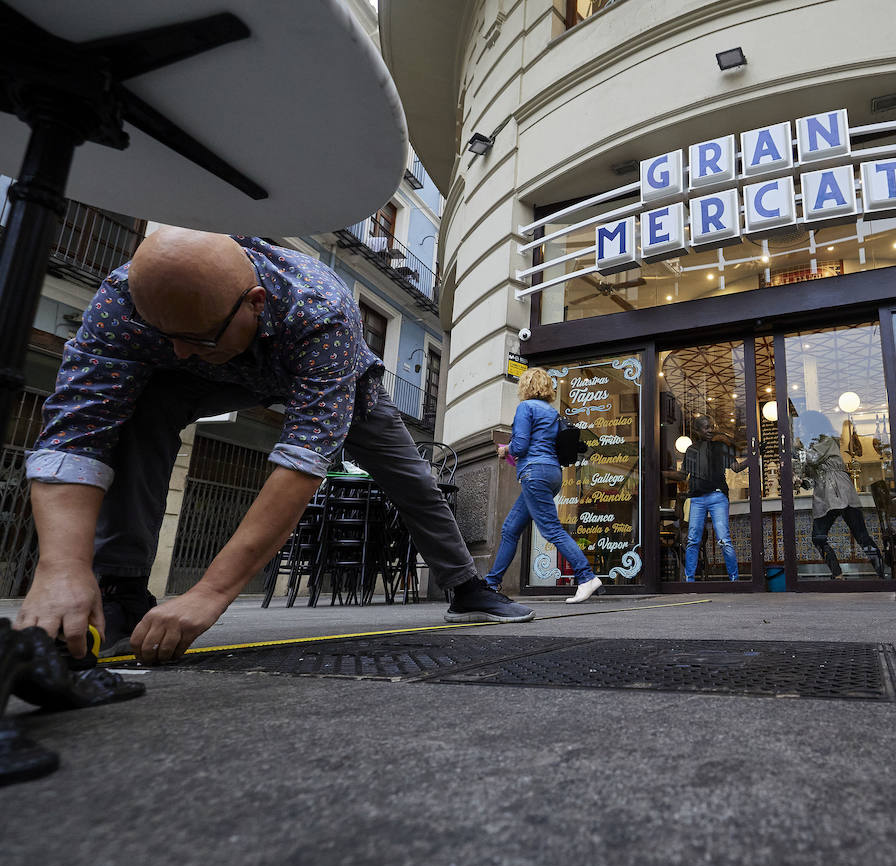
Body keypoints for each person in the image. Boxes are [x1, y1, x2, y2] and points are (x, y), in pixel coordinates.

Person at [17, 230, 533, 665]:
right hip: (207, 379)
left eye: (195, 335)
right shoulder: (121, 302)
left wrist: (210, 594)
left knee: (415, 482)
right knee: (138, 414)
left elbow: (302, 463)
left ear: (255, 302)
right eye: (164, 335)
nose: (175, 348)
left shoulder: (321, 309)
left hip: (339, 383)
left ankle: (467, 588)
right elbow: (75, 433)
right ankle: (120, 590)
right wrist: (61, 568)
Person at [485, 368, 603, 603]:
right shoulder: (552, 412)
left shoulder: (525, 408)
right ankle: (490, 584)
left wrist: (504, 450)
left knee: (551, 530)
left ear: (525, 387)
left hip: (534, 473)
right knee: (510, 529)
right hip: (552, 474)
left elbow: (519, 447)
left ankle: (586, 576)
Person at [794, 410, 889, 579]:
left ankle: (876, 572)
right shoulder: (817, 445)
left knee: (823, 537)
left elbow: (812, 458)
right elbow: (811, 480)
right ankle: (871, 573)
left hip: (835, 493)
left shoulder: (826, 440)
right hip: (832, 494)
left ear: (812, 427)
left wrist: (796, 447)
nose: (800, 428)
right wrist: (801, 481)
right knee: (858, 536)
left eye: (802, 425)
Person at [680, 414, 748, 582]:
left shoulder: (720, 447)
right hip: (696, 498)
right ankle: (690, 581)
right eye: (706, 427)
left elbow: (736, 468)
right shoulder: (692, 450)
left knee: (724, 539)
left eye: (711, 426)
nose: (710, 430)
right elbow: (682, 475)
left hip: (717, 496)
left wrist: (753, 456)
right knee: (693, 540)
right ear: (697, 431)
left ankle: (735, 580)